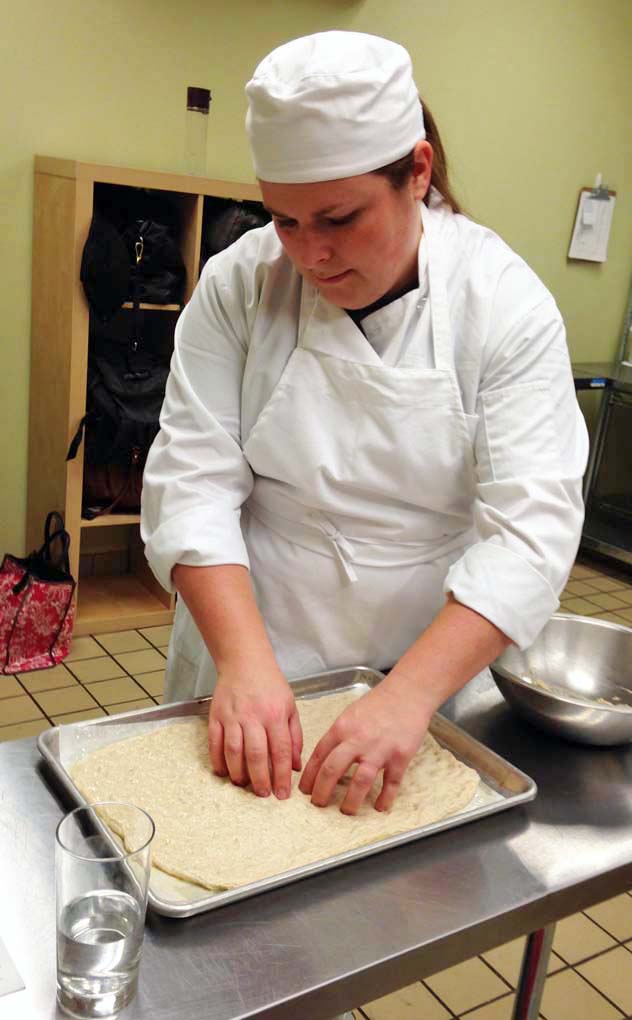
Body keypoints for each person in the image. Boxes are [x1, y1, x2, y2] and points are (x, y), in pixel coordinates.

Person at [141, 31, 588, 818]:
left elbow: (529, 533)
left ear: (417, 173)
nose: (309, 254)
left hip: (420, 660)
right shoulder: (240, 283)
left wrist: (405, 698)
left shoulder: (501, 306)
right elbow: (192, 480)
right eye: (282, 219)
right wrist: (244, 665)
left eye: (338, 218)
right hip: (252, 630)